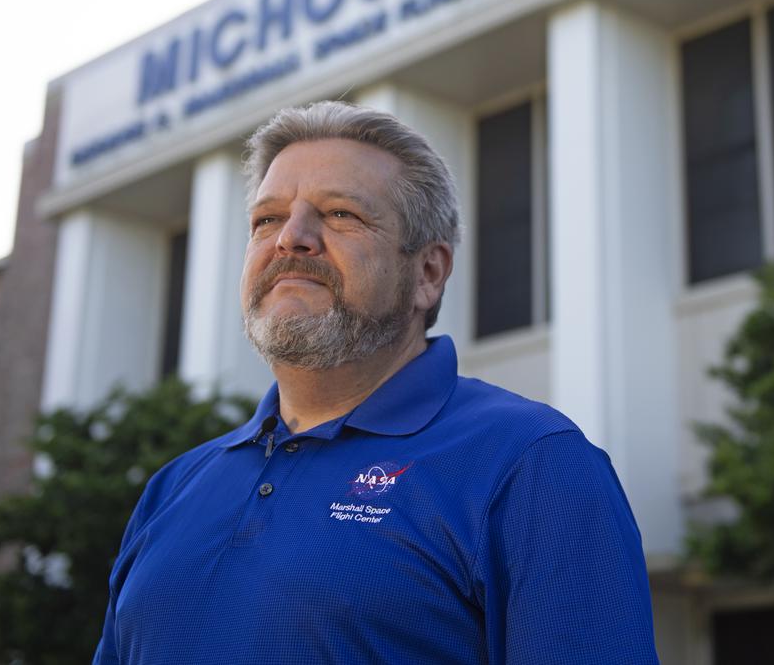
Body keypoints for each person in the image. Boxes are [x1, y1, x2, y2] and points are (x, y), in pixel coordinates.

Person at [93, 100, 659, 664]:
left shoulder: (531, 463)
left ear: (428, 273)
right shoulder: (173, 487)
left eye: (340, 214)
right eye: (266, 219)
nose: (291, 238)